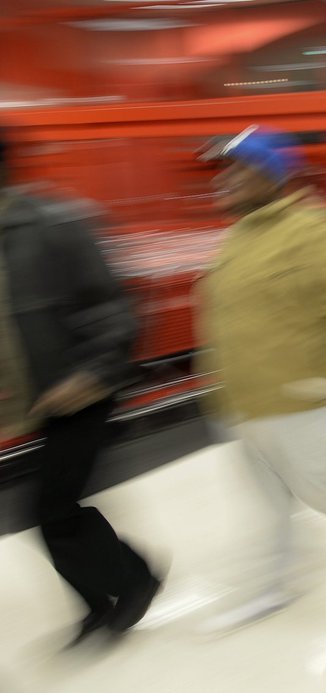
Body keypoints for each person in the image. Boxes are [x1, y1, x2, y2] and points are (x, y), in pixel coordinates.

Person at [195, 125, 326, 631]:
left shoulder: (318, 234)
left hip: (303, 404)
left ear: (272, 174)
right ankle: (273, 586)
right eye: (223, 170)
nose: (225, 180)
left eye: (238, 169)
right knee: (267, 504)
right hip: (244, 404)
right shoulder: (235, 239)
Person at [0, 129, 162, 647]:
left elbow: (116, 306)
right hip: (37, 400)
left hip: (82, 390)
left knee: (51, 507)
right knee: (48, 510)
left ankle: (134, 580)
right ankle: (98, 602)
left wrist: (93, 374)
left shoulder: (56, 222)